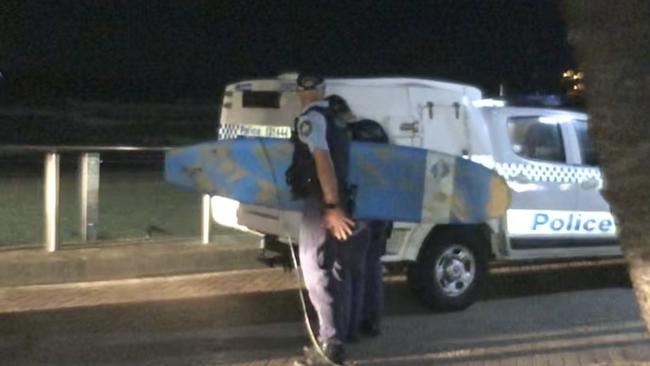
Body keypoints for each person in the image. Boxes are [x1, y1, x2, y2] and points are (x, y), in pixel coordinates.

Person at [292, 74, 355, 366]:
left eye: (304, 92)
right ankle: (337, 339)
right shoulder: (336, 118)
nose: (304, 96)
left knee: (315, 271)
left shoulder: (311, 118)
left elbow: (322, 160)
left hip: (322, 204)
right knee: (336, 270)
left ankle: (329, 348)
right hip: (340, 200)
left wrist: (331, 206)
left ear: (304, 93)